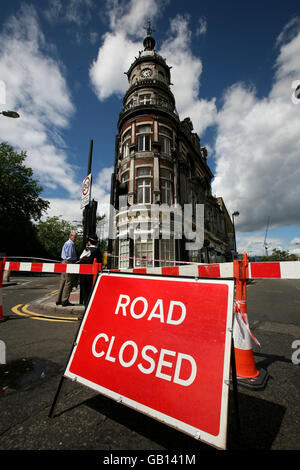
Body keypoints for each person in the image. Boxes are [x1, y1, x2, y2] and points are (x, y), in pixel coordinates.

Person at [56, 231, 78, 307]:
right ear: (70, 236)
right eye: (74, 237)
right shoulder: (70, 244)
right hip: (68, 263)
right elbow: (69, 257)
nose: (75, 238)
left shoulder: (67, 243)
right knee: (68, 282)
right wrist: (72, 266)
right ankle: (65, 301)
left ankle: (58, 299)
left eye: (76, 237)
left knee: (63, 281)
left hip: (64, 262)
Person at [79, 235, 102, 306]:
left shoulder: (87, 249)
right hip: (95, 274)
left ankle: (86, 305)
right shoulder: (98, 250)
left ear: (89, 242)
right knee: (92, 289)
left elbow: (81, 258)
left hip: (86, 273)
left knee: (85, 290)